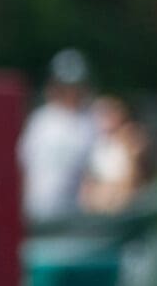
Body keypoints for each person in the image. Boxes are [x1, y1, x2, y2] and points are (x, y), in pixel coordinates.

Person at [16, 47, 98, 224]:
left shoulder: (90, 122)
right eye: (65, 86)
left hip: (74, 217)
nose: (71, 92)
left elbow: (93, 174)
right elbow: (24, 167)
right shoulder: (41, 121)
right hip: (36, 213)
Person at [78, 95, 151, 215]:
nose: (103, 120)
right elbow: (89, 182)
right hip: (100, 207)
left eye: (107, 114)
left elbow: (133, 180)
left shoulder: (131, 138)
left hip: (124, 207)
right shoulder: (97, 143)